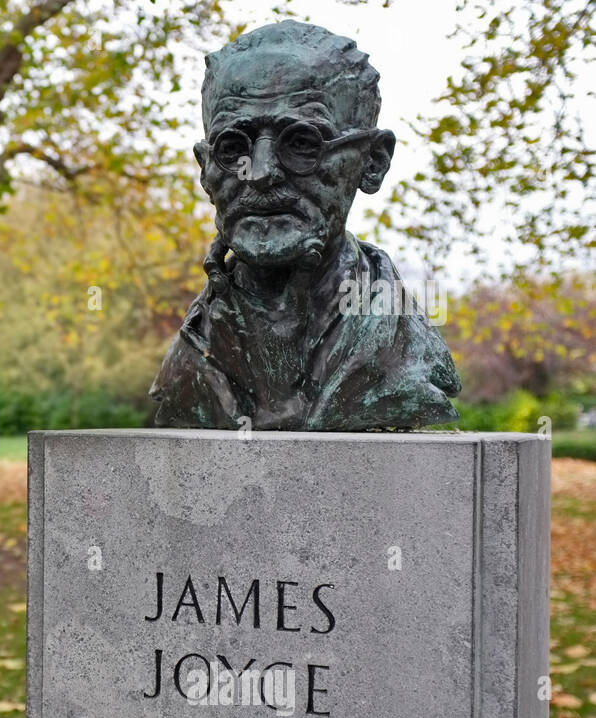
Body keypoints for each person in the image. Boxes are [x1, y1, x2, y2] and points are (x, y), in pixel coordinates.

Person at [149, 20, 461, 431]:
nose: (259, 173)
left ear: (372, 163)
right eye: (232, 148)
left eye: (301, 143)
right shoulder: (195, 347)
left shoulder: (402, 348)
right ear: (206, 169)